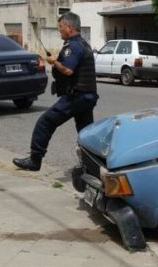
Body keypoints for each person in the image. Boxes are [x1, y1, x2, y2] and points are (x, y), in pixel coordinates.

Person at [13, 12, 98, 171]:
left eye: (61, 27)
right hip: (87, 96)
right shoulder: (82, 43)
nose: (59, 30)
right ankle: (92, 167)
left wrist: (53, 62)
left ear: (69, 27)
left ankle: (35, 159)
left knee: (45, 122)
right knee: (86, 133)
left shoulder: (73, 46)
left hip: (77, 97)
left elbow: (67, 70)